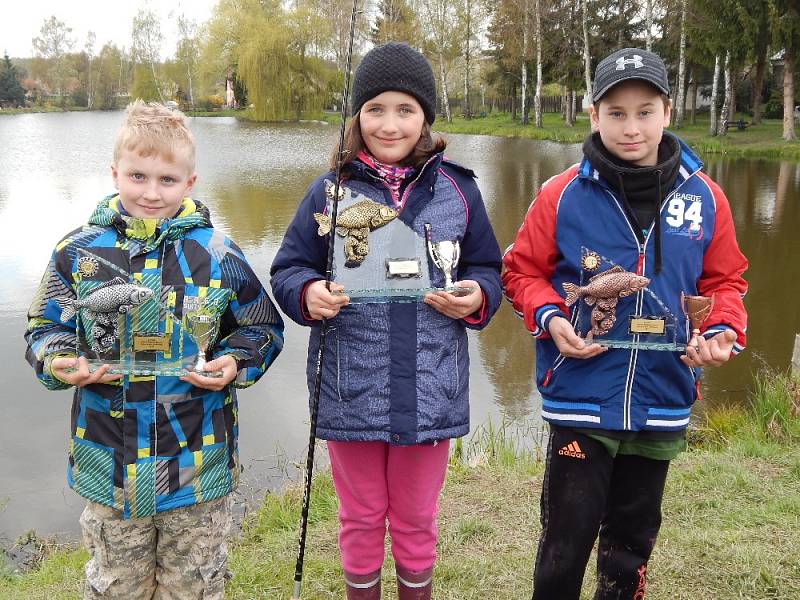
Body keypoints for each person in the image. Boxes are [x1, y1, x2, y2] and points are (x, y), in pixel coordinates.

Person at [502, 48, 748, 600]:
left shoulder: (706, 198)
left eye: (644, 111)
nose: (631, 127)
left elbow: (726, 283)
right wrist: (550, 317)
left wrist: (721, 330)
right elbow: (520, 271)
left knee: (632, 542)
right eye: (615, 113)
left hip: (664, 396)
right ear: (593, 115)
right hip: (580, 395)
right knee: (565, 541)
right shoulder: (560, 192)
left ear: (667, 111)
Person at [25, 100, 284, 599]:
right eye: (137, 176)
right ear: (115, 172)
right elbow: (43, 328)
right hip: (109, 463)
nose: (150, 192)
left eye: (167, 180)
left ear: (190, 183)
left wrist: (234, 362)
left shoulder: (219, 252)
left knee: (194, 588)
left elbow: (262, 330)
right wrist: (61, 362)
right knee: (115, 587)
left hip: (196, 464)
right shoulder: (76, 252)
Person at [270, 42, 502, 600]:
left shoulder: (460, 190)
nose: (389, 123)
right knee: (361, 517)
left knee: (418, 519)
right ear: (356, 117)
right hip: (351, 387)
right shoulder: (327, 192)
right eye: (374, 109)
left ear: (425, 117)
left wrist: (476, 297)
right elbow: (288, 268)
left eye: (405, 109)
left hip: (431, 390)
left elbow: (489, 269)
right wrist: (307, 294)